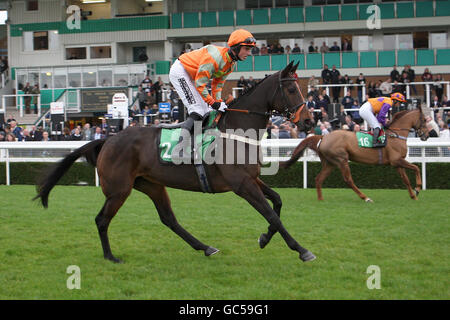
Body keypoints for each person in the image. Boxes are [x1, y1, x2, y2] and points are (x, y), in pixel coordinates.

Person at [169, 29, 255, 134]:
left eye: (250, 49)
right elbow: (200, 84)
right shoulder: (214, 58)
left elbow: (217, 85)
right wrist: (213, 103)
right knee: (197, 110)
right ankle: (180, 147)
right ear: (236, 48)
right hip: (180, 71)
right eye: (246, 49)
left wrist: (218, 102)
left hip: (192, 75)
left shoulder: (231, 64)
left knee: (206, 111)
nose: (248, 53)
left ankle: (197, 141)